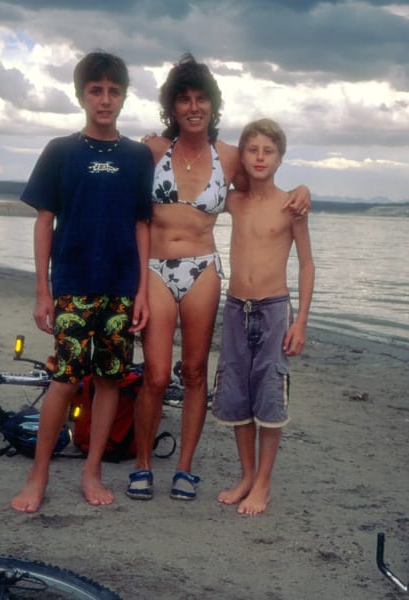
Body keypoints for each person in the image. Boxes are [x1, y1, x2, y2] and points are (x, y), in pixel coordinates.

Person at [127, 54, 310, 501]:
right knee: (153, 375)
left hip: (204, 270)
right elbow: (127, 203)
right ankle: (142, 462)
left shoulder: (228, 157)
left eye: (201, 99)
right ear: (172, 106)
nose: (193, 107)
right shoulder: (153, 151)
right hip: (156, 268)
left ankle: (185, 468)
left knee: (193, 372)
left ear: (213, 105)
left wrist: (303, 191)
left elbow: (264, 191)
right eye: (184, 99)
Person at [11, 51, 153, 513]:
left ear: (124, 97)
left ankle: (92, 469)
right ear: (81, 96)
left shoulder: (135, 157)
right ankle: (39, 474)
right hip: (71, 285)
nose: (105, 99)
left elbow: (141, 225)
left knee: (111, 380)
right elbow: (44, 220)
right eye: (96, 90)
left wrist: (143, 291)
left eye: (114, 91)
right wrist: (42, 290)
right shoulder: (60, 151)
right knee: (65, 379)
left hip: (120, 287)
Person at [213, 118, 314, 515]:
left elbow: (307, 264)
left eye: (268, 151)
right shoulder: (234, 200)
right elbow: (204, 184)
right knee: (237, 393)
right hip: (236, 307)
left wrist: (301, 319)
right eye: (252, 150)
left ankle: (264, 484)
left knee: (269, 397)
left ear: (280, 158)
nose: (259, 157)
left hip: (274, 310)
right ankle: (247, 476)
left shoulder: (292, 204)